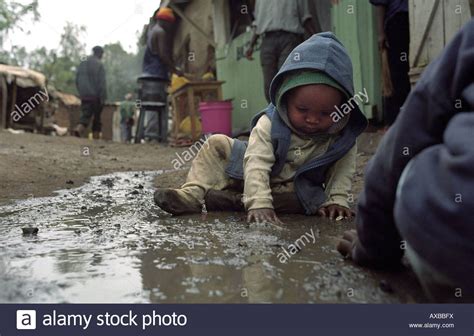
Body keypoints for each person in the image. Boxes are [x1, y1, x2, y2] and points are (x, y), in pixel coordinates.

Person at [154, 32, 368, 224]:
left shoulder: (342, 135)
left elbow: (342, 171)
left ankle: (233, 201)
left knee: (306, 202)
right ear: (285, 97)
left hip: (294, 191)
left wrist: (337, 200)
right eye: (302, 109)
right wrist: (259, 203)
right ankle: (191, 196)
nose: (312, 119)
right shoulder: (271, 123)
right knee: (216, 143)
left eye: (325, 113)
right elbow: (256, 161)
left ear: (342, 108)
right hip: (248, 175)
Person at [337, 20, 474, 302]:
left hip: (456, 237)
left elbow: (403, 140)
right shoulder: (267, 130)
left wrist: (374, 245)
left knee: (415, 150)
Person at [245, 0, 317, 103]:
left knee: (286, 78)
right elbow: (257, 23)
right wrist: (251, 46)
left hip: (290, 39)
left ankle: (288, 113)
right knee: (269, 84)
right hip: (268, 40)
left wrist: (318, 38)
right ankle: (274, 114)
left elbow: (306, 18)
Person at [139, 7, 181, 142]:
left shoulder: (152, 31)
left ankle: (153, 135)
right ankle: (155, 136)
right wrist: (175, 70)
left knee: (150, 105)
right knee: (157, 105)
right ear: (166, 22)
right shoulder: (161, 32)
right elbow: (163, 56)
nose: (170, 27)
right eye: (170, 24)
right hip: (156, 76)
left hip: (149, 75)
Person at [370, 0, 410, 127]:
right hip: (402, 21)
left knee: (398, 72)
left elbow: (380, 3)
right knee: (400, 72)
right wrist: (381, 33)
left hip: (399, 21)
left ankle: (397, 119)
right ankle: (400, 118)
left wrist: (381, 33)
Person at [74, 46, 107, 139]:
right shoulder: (99, 64)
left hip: (84, 95)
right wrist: (103, 98)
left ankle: (80, 128)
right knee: (96, 118)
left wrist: (81, 92)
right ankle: (83, 131)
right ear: (100, 54)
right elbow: (102, 84)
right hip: (95, 96)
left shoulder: (83, 63)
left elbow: (76, 80)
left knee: (86, 114)